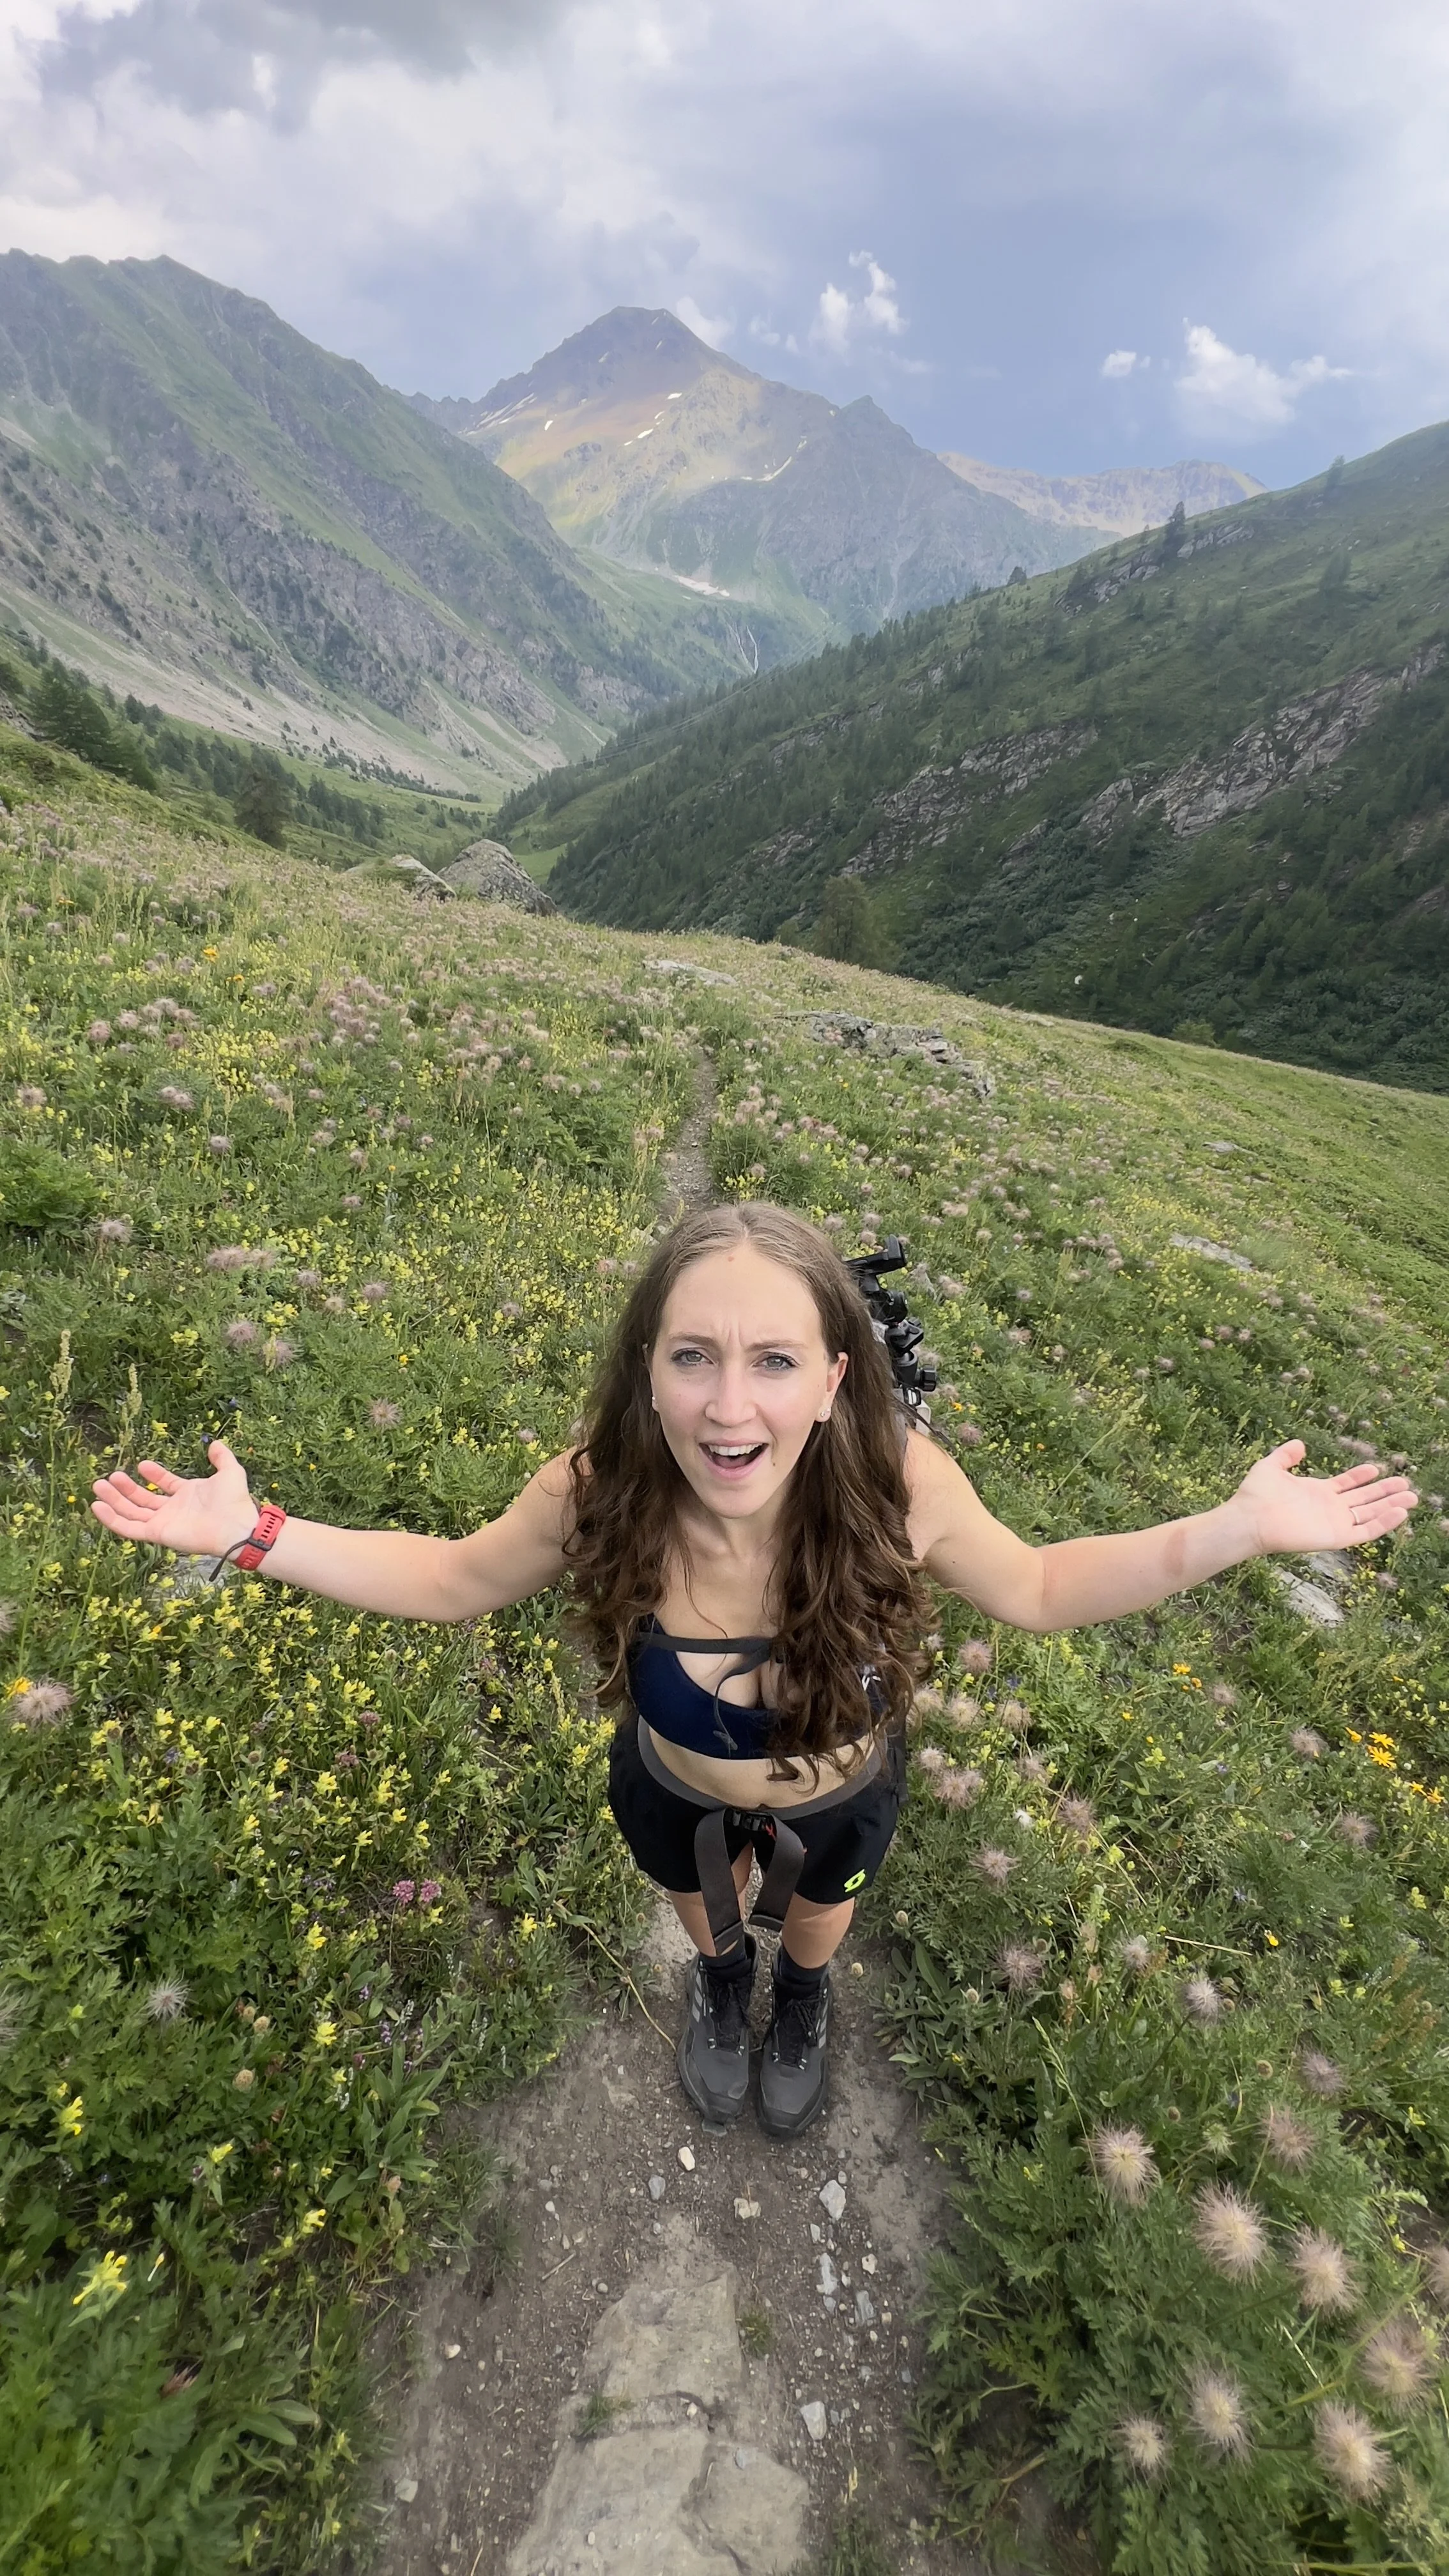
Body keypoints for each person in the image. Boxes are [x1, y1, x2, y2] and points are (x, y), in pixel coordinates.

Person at [90, 1200, 1418, 2140]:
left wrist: (1241, 1528)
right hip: (670, 1784)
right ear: (648, 1375)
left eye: (774, 1362)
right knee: (703, 1905)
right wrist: (251, 1535)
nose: (733, 1407)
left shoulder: (901, 1490)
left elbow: (1050, 1588)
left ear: (838, 1379)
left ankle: (801, 2003)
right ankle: (727, 1990)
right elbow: (447, 1579)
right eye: (694, 1358)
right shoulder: (600, 1492)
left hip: (838, 1801)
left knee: (819, 1920)